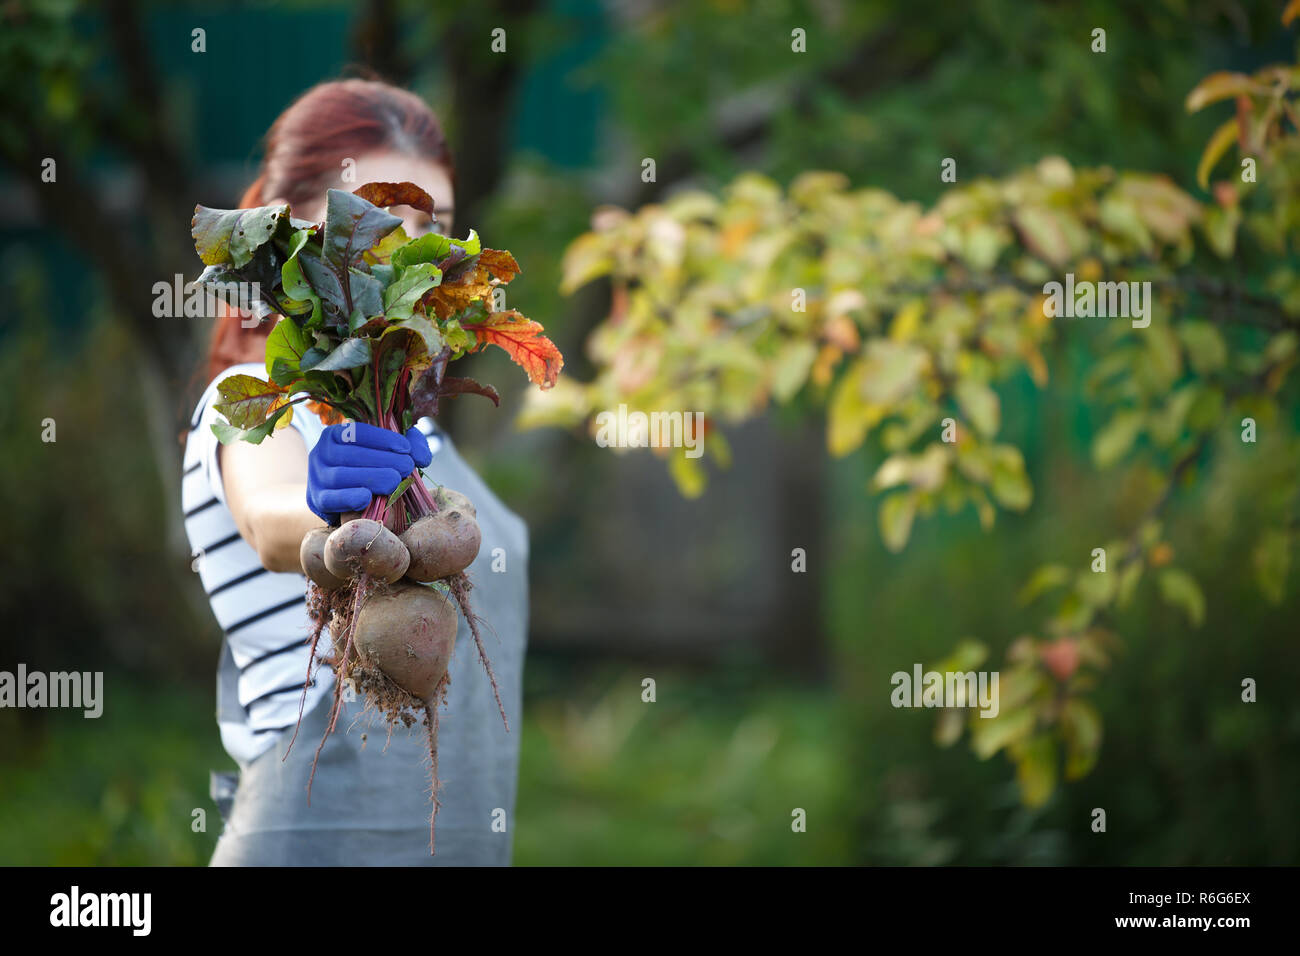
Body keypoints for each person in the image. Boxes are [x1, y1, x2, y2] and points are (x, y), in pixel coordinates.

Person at [180, 79, 528, 865]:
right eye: (378, 218)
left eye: (427, 224)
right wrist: (329, 520)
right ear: (296, 234)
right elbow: (271, 521)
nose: (412, 249)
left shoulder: (414, 428)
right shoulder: (253, 410)